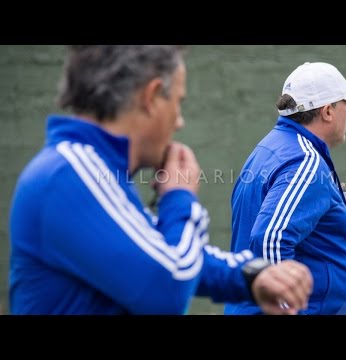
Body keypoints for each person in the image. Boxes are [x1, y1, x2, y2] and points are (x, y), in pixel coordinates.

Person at [9, 45, 313, 315]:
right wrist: (180, 197)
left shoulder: (88, 169)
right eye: (178, 102)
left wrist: (252, 276)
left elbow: (154, 254)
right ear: (152, 96)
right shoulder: (71, 173)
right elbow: (168, 284)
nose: (179, 121)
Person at [225, 62, 346, 315]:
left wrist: (336, 245)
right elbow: (270, 239)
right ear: (327, 111)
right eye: (344, 103)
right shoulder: (304, 161)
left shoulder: (270, 148)